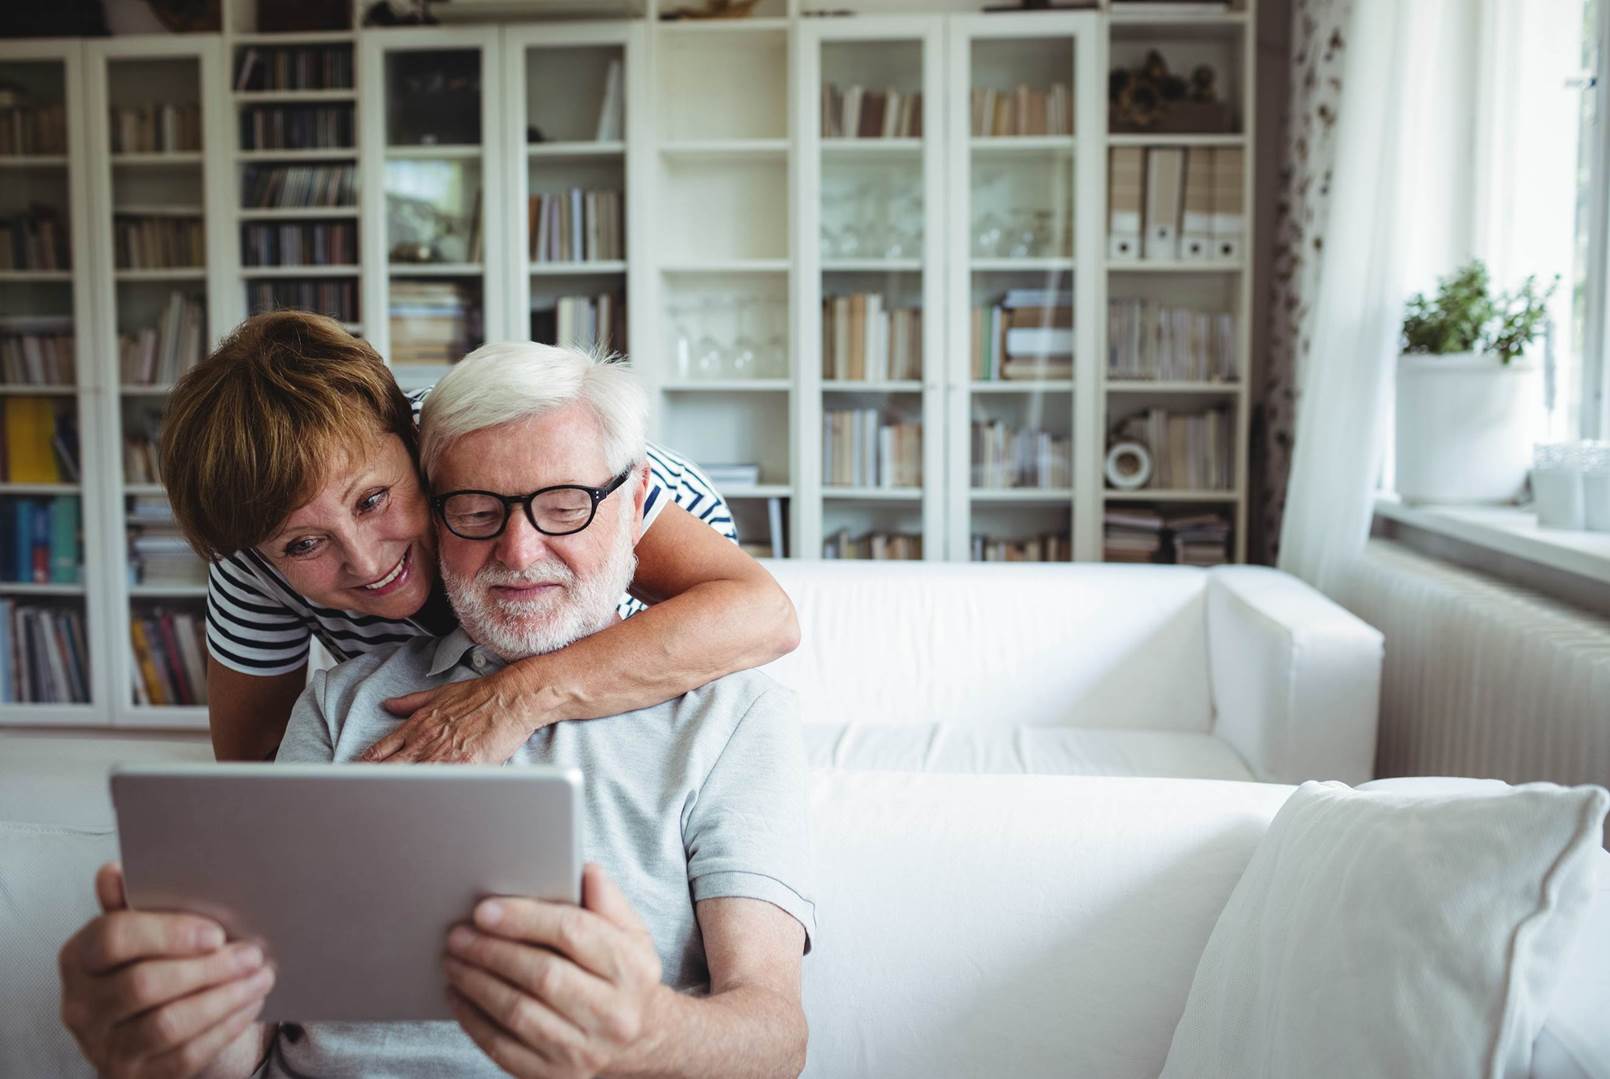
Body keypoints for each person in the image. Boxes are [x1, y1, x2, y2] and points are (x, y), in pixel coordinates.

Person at [59, 342, 815, 1079]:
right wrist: (187, 1022)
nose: (363, 560)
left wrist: (650, 1035)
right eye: (477, 510)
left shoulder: (725, 709)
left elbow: (772, 1034)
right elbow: (256, 801)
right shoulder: (332, 689)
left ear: (414, 460)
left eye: (562, 507)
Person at [156, 312, 799, 764]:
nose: (366, 559)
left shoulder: (499, 455)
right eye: (304, 545)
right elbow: (256, 762)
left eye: (374, 500)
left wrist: (514, 698)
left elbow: (762, 615)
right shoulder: (251, 545)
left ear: (412, 445)